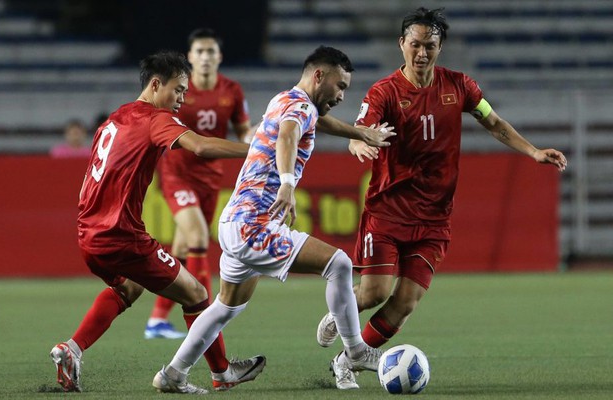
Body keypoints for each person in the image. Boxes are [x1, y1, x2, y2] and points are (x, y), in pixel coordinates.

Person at [315, 7, 568, 389]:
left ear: (440, 47)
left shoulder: (461, 87)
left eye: (429, 45)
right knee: (375, 291)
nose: (421, 53)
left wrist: (532, 151)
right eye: (414, 44)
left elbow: (493, 122)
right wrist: (357, 143)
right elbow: (361, 128)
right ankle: (343, 308)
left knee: (405, 304)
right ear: (401, 44)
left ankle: (346, 361)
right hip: (388, 210)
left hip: (434, 219)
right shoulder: (384, 91)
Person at [152, 45, 396, 392]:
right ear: (319, 76)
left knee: (225, 307)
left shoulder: (287, 99)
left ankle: (173, 374)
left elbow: (313, 121)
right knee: (339, 264)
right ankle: (356, 350)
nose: (343, 95)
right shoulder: (298, 109)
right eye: (340, 86)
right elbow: (288, 135)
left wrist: (360, 132)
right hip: (254, 225)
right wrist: (286, 183)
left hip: (234, 222)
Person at [49, 50, 266, 394]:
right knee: (196, 293)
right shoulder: (155, 118)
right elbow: (200, 146)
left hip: (89, 234)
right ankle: (223, 373)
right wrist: (257, 151)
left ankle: (71, 350)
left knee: (128, 288)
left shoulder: (114, 119)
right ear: (155, 84)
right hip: (121, 236)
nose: (182, 98)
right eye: (178, 90)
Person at [144, 28, 253, 340]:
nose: (205, 57)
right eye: (199, 52)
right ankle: (206, 318)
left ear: (219, 57)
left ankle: (156, 321)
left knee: (180, 248)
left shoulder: (232, 90)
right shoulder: (180, 89)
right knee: (199, 237)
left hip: (210, 178)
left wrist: (256, 137)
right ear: (190, 58)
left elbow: (242, 131)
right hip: (177, 174)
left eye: (210, 52)